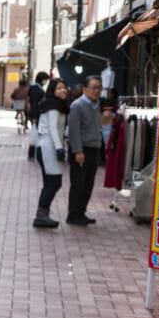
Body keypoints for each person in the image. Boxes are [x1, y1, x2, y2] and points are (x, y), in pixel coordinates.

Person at [33, 77, 70, 228]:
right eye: (59, 88)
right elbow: (53, 128)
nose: (63, 90)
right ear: (53, 91)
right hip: (49, 146)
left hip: (46, 146)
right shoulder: (54, 105)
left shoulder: (57, 104)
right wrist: (59, 148)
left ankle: (42, 214)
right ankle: (41, 215)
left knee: (50, 182)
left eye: (64, 87)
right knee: (54, 182)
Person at [67, 75, 104, 225]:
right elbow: (74, 130)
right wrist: (78, 151)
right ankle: (73, 215)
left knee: (88, 184)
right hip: (82, 149)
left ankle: (81, 212)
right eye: (93, 87)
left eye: (99, 88)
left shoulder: (96, 105)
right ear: (85, 89)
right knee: (78, 184)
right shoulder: (78, 105)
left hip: (94, 149)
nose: (96, 90)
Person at [26, 71, 49, 160]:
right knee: (35, 135)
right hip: (36, 115)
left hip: (36, 115)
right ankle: (32, 155)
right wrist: (34, 117)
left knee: (35, 135)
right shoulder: (35, 89)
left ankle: (33, 154)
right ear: (41, 80)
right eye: (45, 80)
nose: (45, 82)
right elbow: (35, 104)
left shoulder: (34, 87)